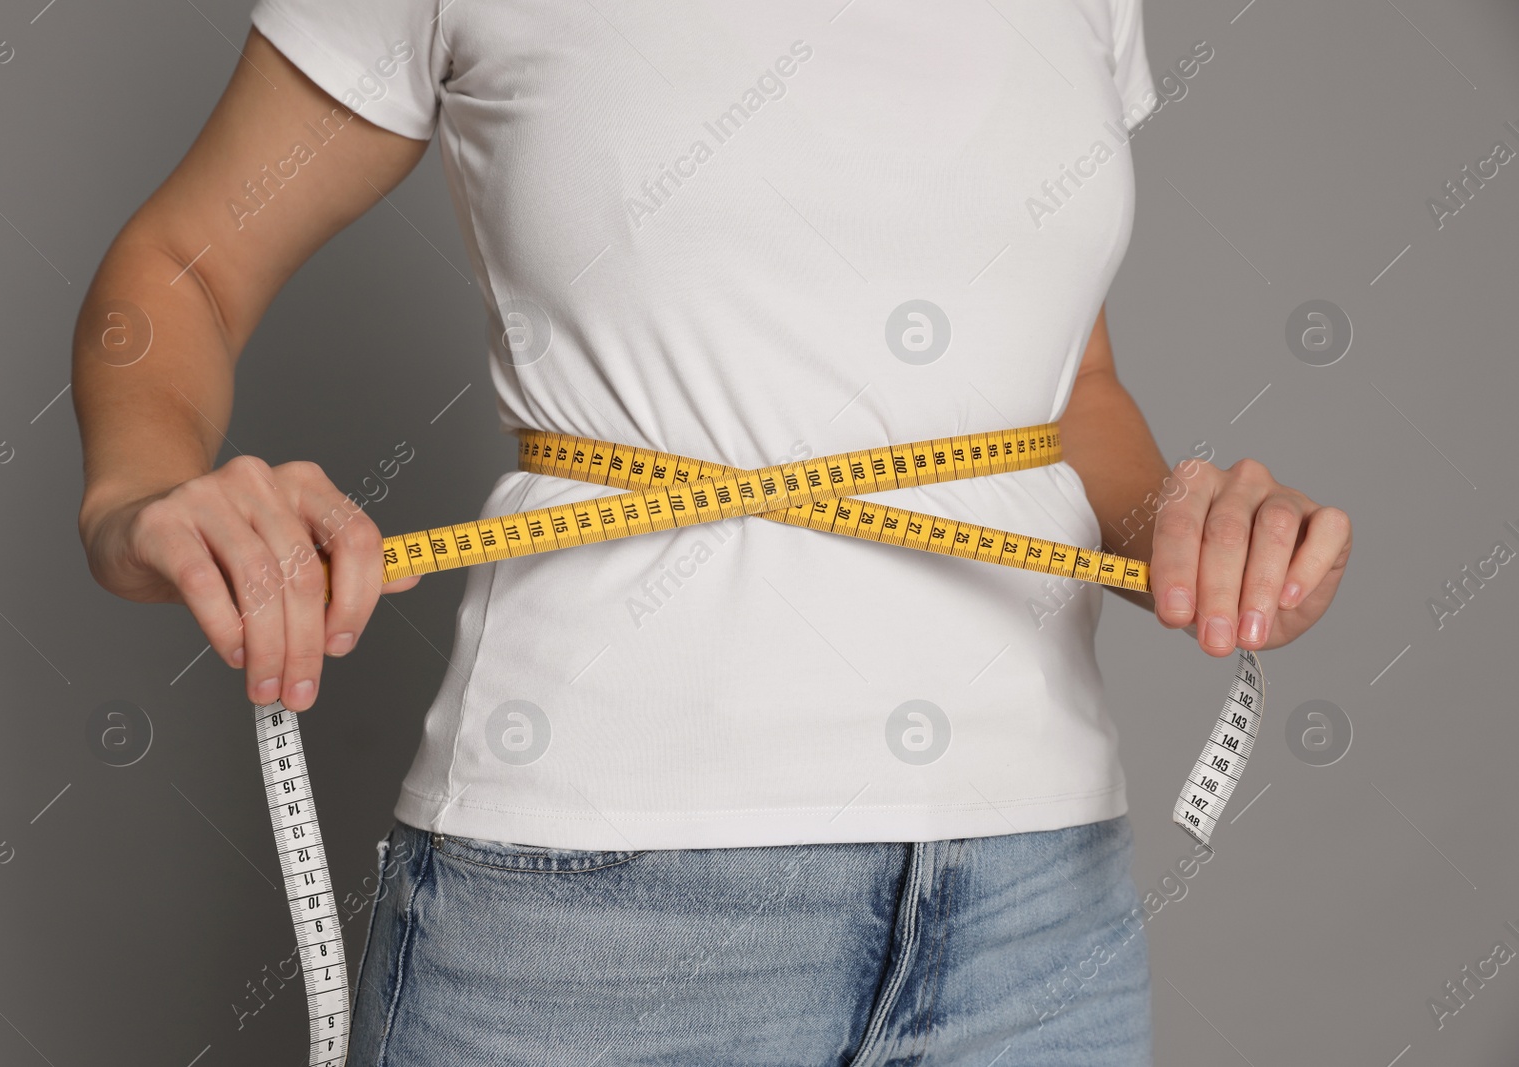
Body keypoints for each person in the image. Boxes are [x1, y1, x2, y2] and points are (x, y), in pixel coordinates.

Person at [71, 2, 1351, 1064]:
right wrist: (139, 489)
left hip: (1034, 903)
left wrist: (1199, 533)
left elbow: (1060, 389)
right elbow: (184, 258)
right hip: (599, 909)